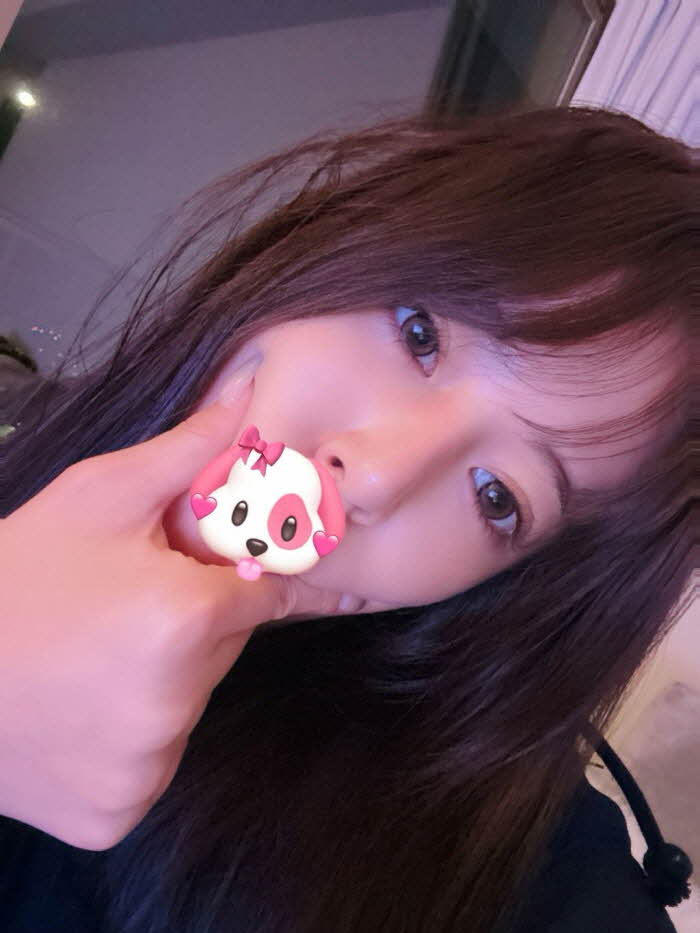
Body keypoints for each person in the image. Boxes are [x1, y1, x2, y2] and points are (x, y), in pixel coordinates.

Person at [0, 105, 694, 933]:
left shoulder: (530, 872)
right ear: (342, 239)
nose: (374, 475)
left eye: (496, 497)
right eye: (419, 332)